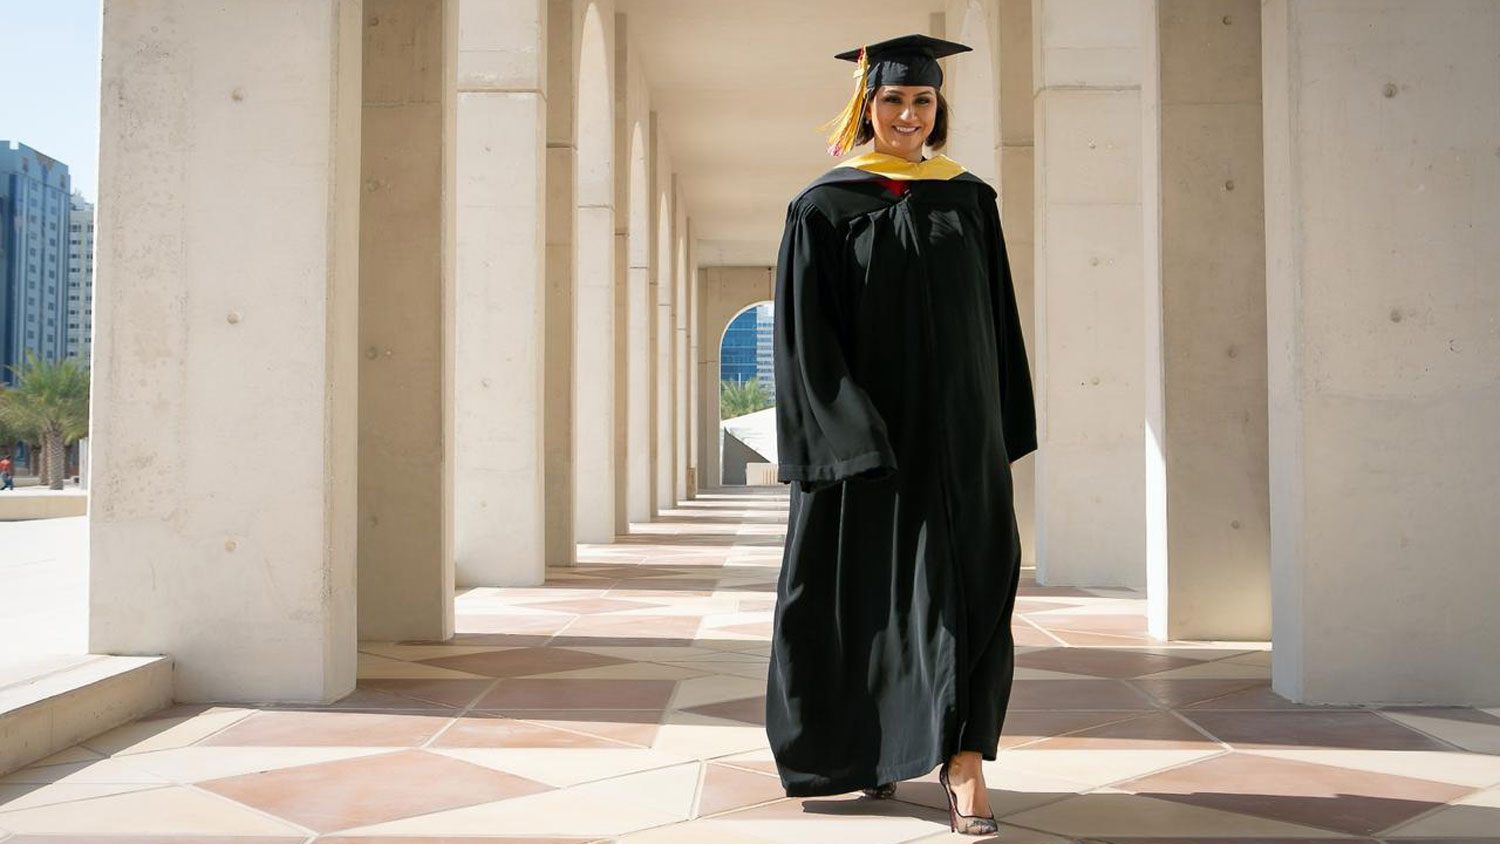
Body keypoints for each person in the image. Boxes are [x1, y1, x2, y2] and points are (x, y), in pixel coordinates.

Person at [766, 34, 1037, 836]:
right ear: (867, 108)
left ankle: (965, 767)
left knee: (972, 594)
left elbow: (998, 322)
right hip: (872, 448)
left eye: (922, 101)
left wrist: (1000, 421)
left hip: (959, 437)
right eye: (893, 101)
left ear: (937, 110)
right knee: (868, 603)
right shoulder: (825, 207)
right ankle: (878, 750)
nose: (908, 115)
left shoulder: (968, 200)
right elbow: (805, 334)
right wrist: (846, 433)